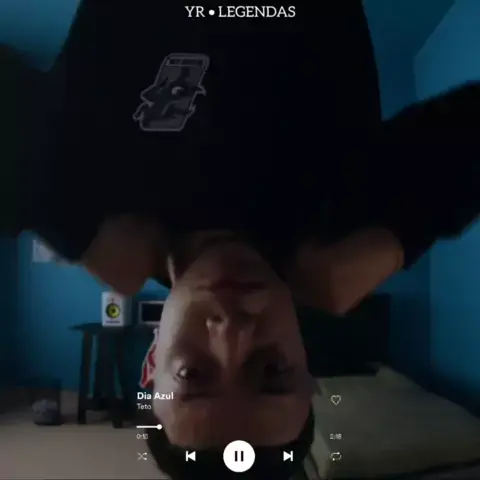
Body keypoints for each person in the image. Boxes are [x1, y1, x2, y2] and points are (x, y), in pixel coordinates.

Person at [2, 1, 479, 478]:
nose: (232, 332)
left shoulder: (96, 199)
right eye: (271, 370)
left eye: (193, 374)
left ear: (151, 367)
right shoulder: (341, 215)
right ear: (305, 362)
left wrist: (64, 220)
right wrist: (403, 230)